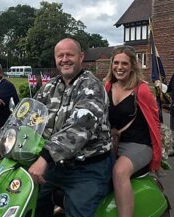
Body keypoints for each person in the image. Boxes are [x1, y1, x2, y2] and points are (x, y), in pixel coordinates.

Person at [27, 38, 113, 217]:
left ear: (81, 57)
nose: (64, 59)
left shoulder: (91, 86)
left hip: (87, 167)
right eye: (60, 56)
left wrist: (44, 158)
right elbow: (29, 114)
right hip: (56, 165)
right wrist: (3, 142)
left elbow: (79, 127)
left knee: (79, 212)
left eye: (69, 55)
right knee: (28, 199)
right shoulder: (49, 87)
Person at [104, 45, 162, 217]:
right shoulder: (107, 86)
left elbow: (155, 122)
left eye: (124, 63)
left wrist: (157, 154)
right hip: (112, 143)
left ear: (132, 66)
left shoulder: (141, 90)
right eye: (116, 63)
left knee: (119, 171)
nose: (119, 67)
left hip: (138, 144)